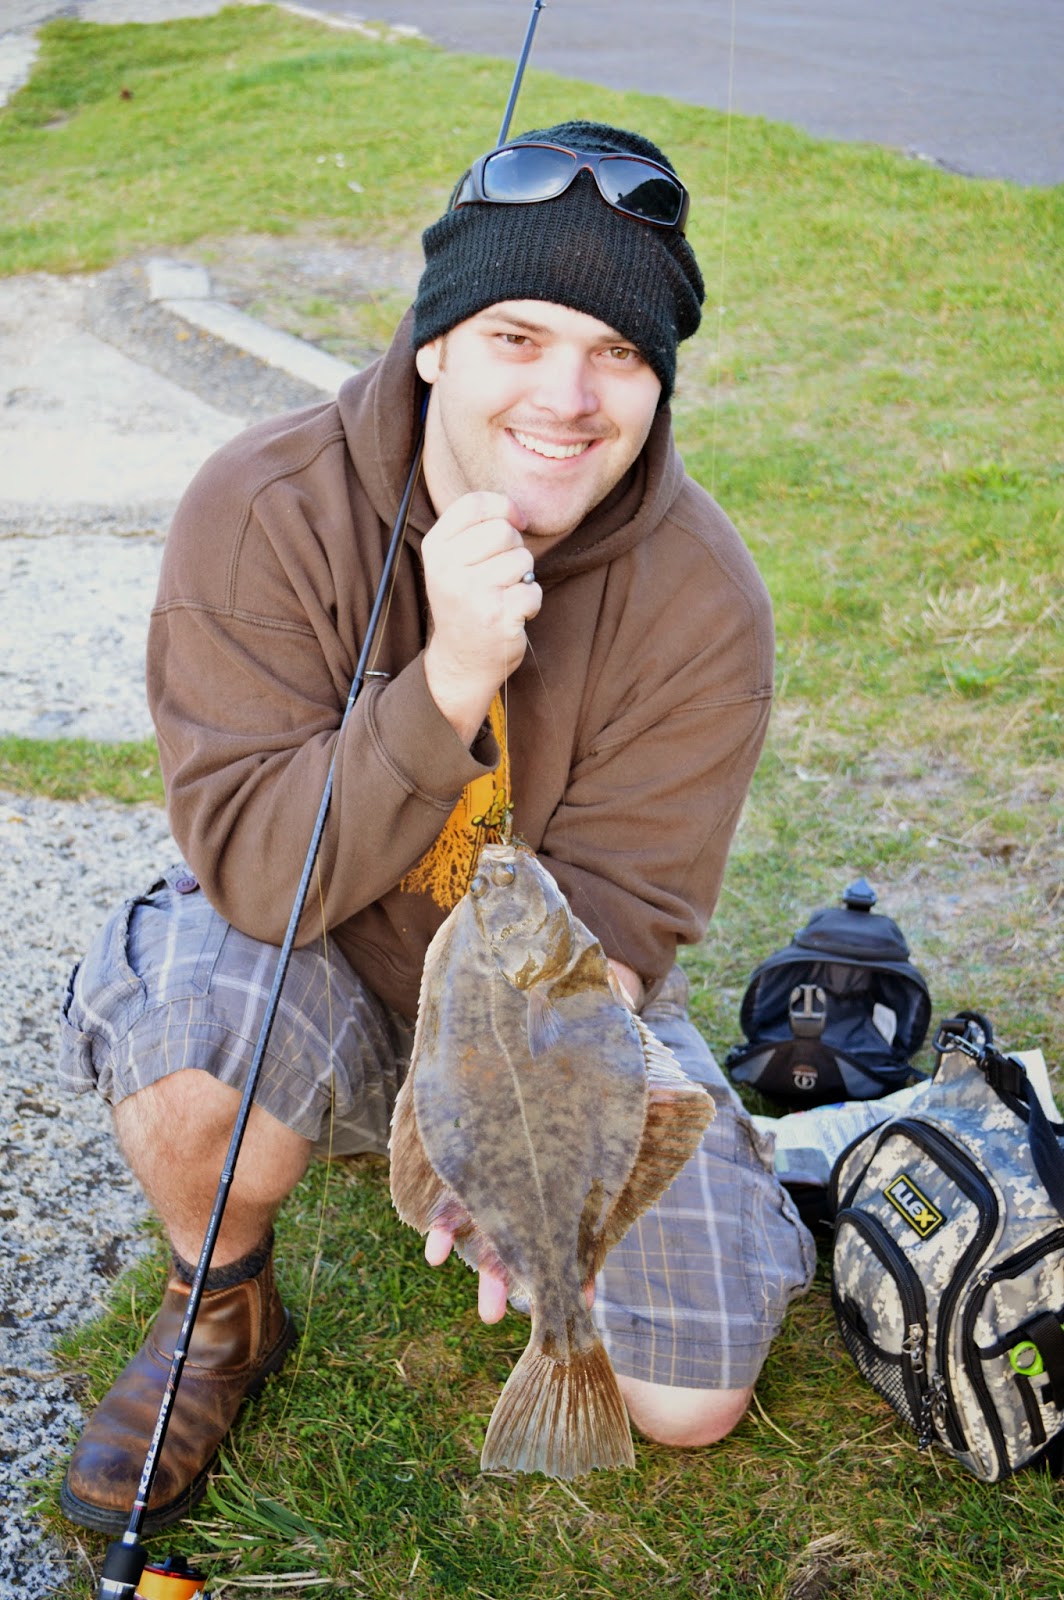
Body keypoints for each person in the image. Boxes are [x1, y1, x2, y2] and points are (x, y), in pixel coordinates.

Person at [58, 119, 815, 1535]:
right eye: (518, 337)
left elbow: (621, 926)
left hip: (556, 1007)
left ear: (659, 382)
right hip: (313, 946)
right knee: (194, 1048)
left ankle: (675, 1228)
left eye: (620, 353)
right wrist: (451, 679)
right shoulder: (265, 506)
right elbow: (258, 870)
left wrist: (516, 1142)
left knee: (690, 1402)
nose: (568, 398)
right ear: (434, 347)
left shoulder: (706, 599)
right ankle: (219, 1305)